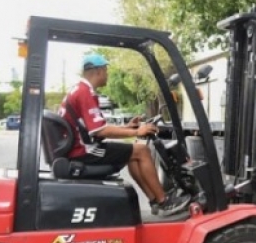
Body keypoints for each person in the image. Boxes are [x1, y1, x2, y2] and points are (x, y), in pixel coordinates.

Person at [59, 52, 188, 217]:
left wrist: (127, 126)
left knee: (132, 154)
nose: (107, 75)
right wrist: (136, 131)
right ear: (98, 71)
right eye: (106, 70)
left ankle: (155, 201)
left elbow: (96, 126)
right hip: (84, 151)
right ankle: (164, 201)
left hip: (80, 146)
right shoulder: (85, 93)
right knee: (142, 151)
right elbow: (99, 131)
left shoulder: (78, 89)